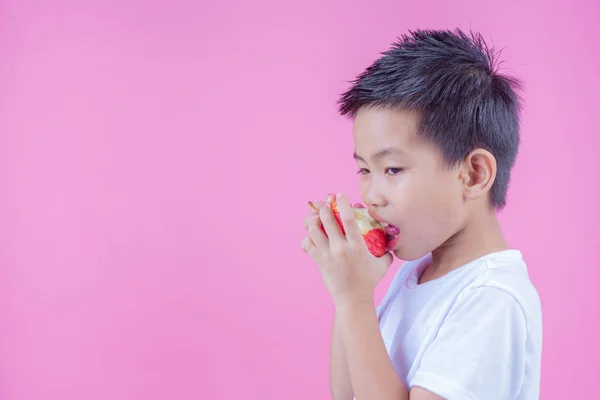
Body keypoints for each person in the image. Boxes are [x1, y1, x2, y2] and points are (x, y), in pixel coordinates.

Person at [301, 28, 542, 400]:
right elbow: (347, 393)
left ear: (474, 174)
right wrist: (348, 292)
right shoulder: (419, 271)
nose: (371, 195)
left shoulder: (492, 299)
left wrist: (354, 298)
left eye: (392, 169)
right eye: (364, 170)